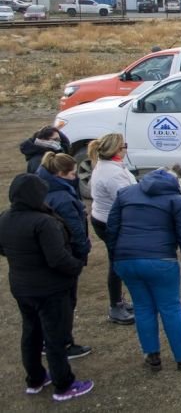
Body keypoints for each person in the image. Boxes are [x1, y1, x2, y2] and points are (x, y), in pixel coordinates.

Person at [0, 174, 94, 402]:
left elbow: (3, 249)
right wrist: (77, 266)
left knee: (31, 333)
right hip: (51, 289)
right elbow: (58, 258)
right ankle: (64, 384)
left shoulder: (5, 217)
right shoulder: (43, 222)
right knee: (55, 337)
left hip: (21, 286)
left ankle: (35, 378)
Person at [106, 166, 181, 372]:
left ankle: (152, 355)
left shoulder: (126, 193)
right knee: (170, 307)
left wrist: (116, 258)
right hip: (160, 261)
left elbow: (112, 228)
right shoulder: (177, 201)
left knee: (142, 307)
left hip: (127, 260)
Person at [37, 153, 92, 360]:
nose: (75, 176)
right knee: (65, 303)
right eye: (72, 173)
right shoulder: (62, 197)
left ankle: (49, 339)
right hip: (67, 254)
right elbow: (75, 229)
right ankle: (63, 344)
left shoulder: (43, 186)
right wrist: (82, 251)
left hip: (50, 256)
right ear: (60, 174)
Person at [88, 133, 136, 325]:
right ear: (117, 150)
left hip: (104, 219)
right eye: (124, 145)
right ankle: (115, 306)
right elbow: (128, 199)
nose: (126, 148)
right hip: (110, 223)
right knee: (117, 264)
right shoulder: (112, 174)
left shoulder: (109, 166)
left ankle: (119, 301)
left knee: (118, 262)